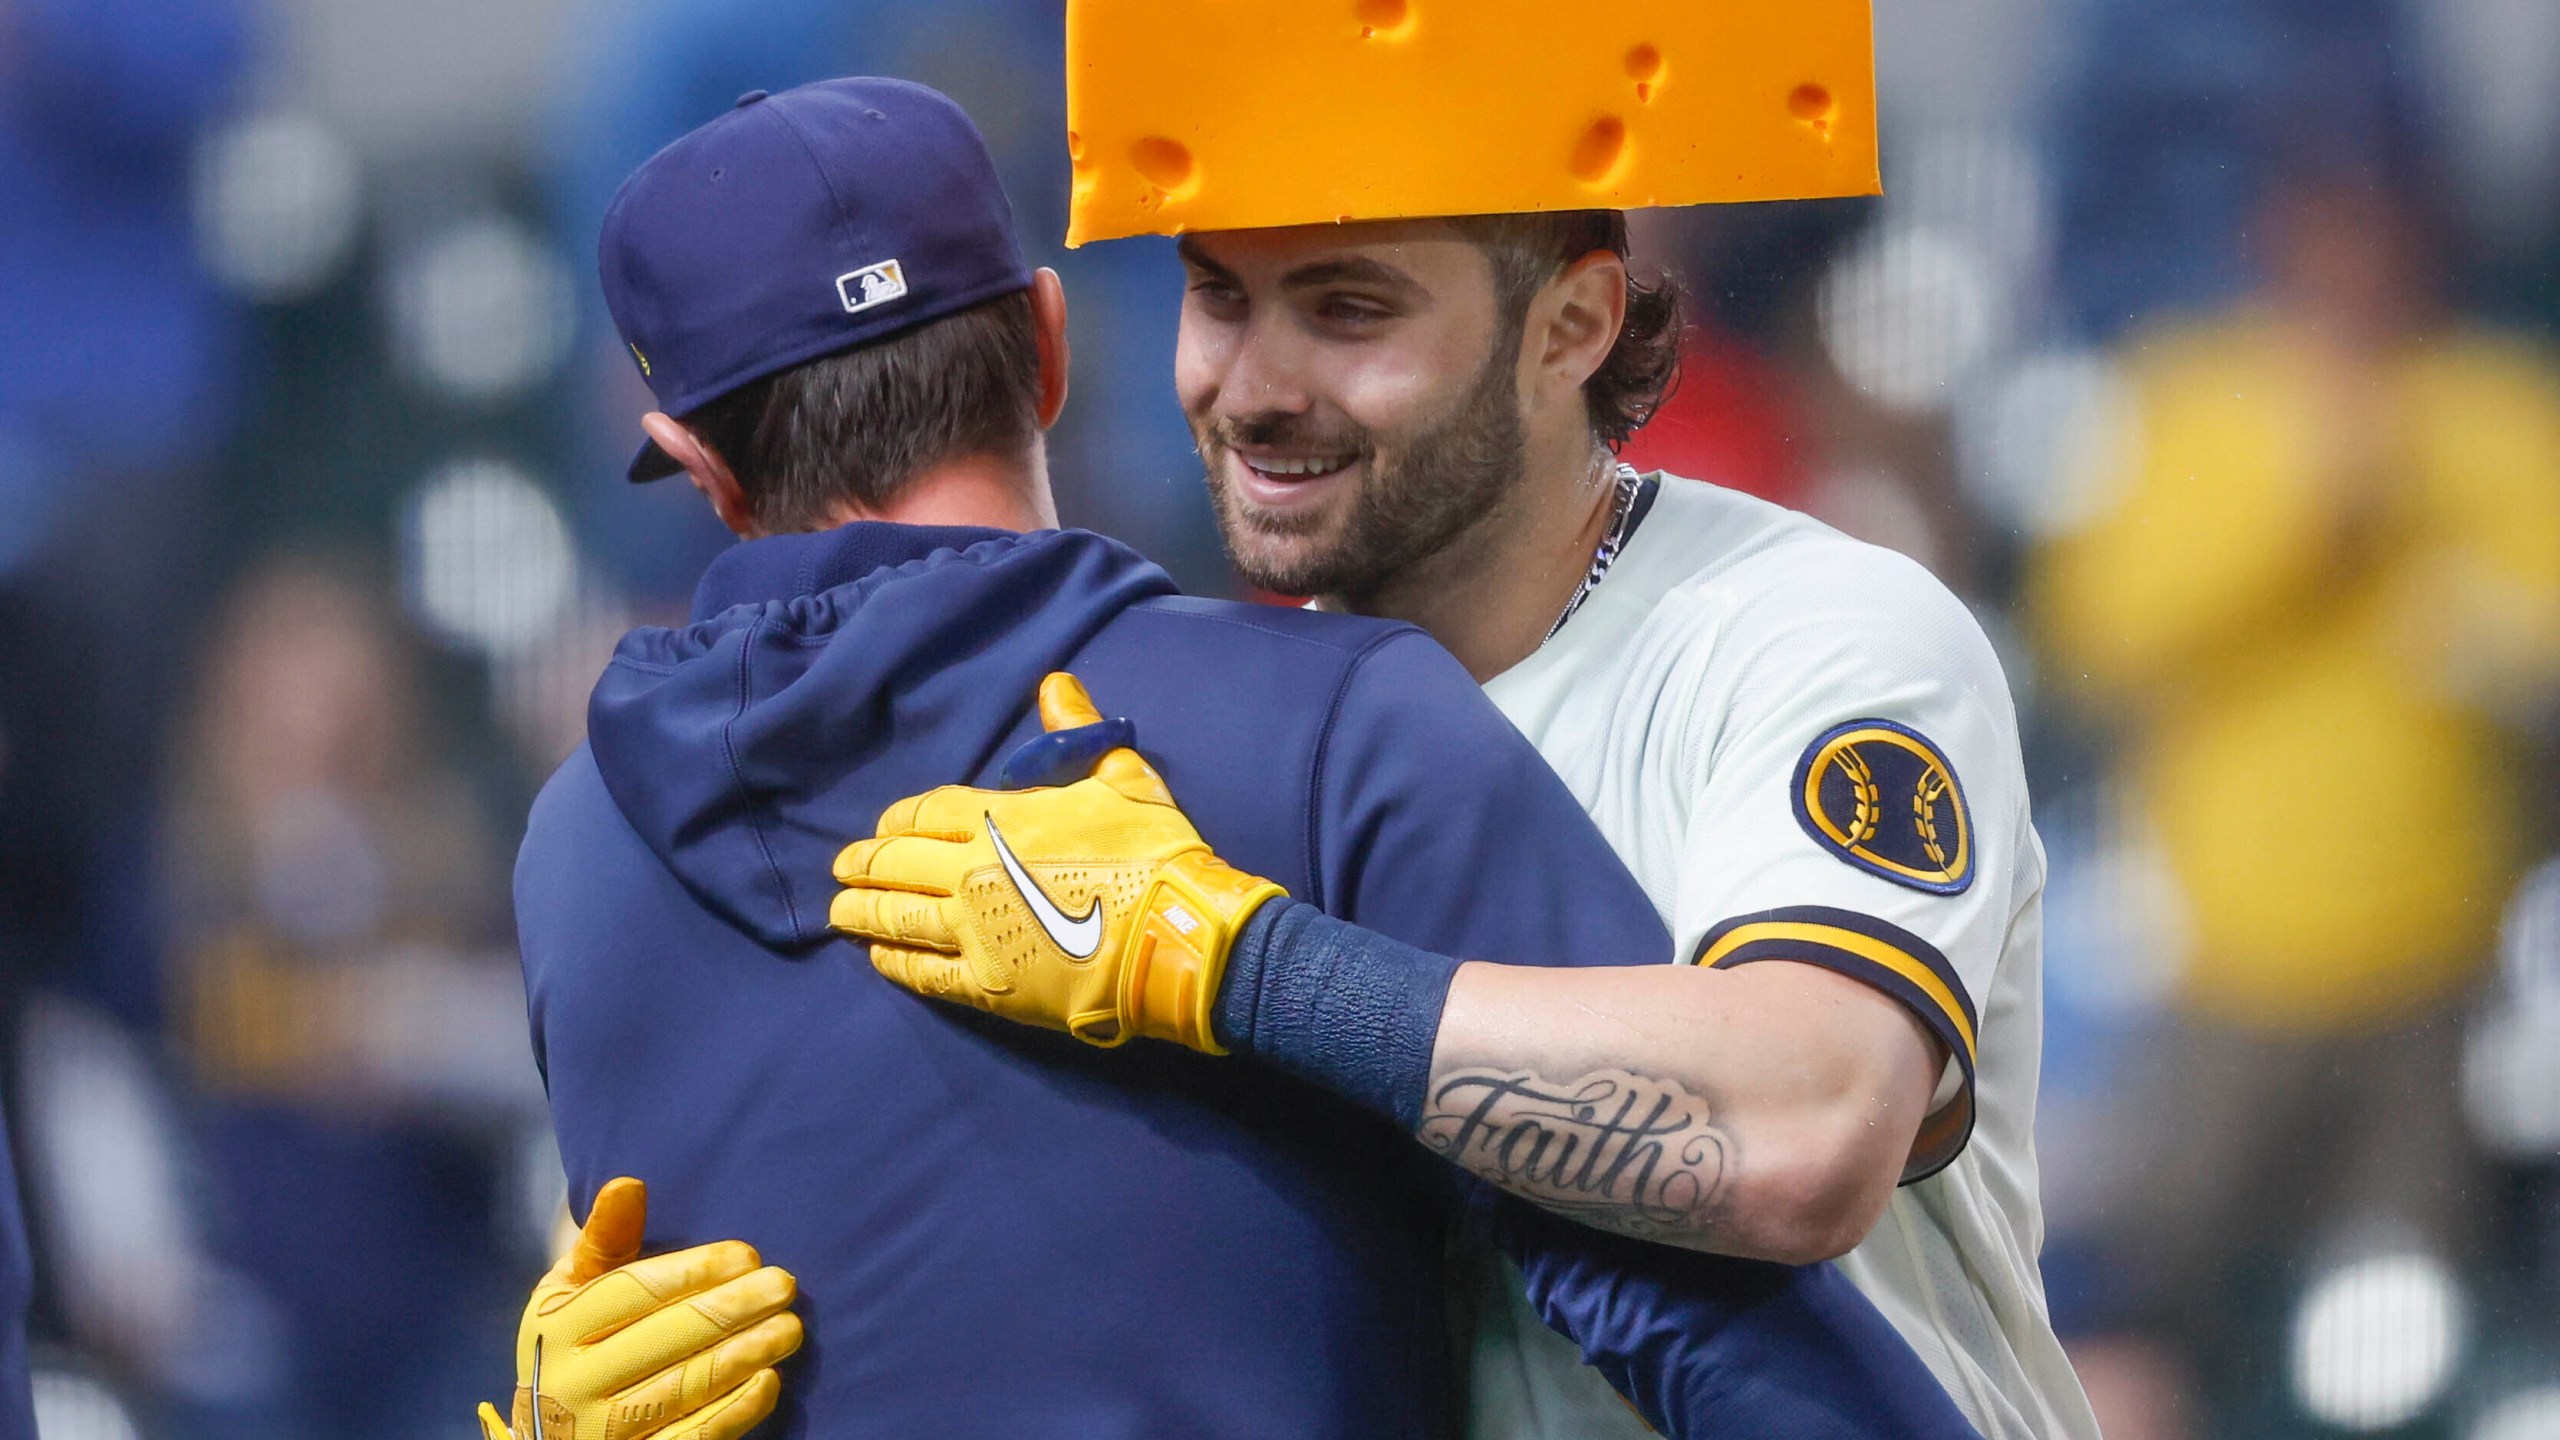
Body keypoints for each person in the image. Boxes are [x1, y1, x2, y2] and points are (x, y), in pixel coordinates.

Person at [478, 77, 1971, 1440]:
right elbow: (1714, 1333)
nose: (1260, 387)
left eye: (1342, 308)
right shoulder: (1327, 719)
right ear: (1054, 346)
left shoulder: (574, 857)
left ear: (695, 460)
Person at [821, 5, 2099, 1435]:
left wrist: (1242, 970)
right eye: (1220, 296)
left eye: (1350, 309)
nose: (1254, 388)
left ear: (1573, 326)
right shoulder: (1195, 732)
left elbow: (1808, 1128)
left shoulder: (1812, 634)